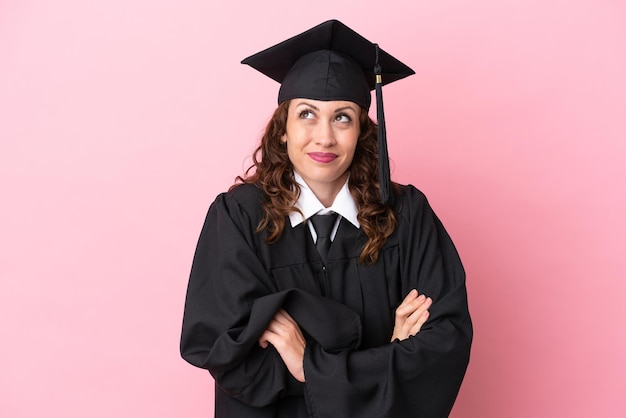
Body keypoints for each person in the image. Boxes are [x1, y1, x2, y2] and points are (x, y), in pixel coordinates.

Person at [180, 20, 472, 418]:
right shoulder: (239, 218)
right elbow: (230, 355)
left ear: (362, 133)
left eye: (342, 118)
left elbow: (443, 348)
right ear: (282, 129)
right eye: (307, 114)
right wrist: (384, 358)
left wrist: (308, 364)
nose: (324, 137)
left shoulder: (407, 215)